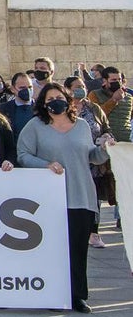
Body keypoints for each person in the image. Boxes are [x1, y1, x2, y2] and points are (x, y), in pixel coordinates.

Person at [18, 82, 114, 314]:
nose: (54, 102)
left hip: (81, 195)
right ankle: (53, 293)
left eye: (58, 97)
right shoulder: (35, 126)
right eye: (49, 99)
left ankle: (77, 296)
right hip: (50, 198)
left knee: (78, 249)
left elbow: (91, 156)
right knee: (54, 249)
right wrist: (46, 164)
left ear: (68, 99)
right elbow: (23, 155)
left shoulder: (81, 126)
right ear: (43, 104)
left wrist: (105, 148)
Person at [66, 75, 114, 248]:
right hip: (70, 162)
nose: (82, 88)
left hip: (93, 161)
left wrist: (106, 138)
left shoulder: (94, 108)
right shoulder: (63, 109)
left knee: (93, 198)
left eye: (83, 86)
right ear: (68, 89)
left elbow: (106, 127)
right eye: (77, 86)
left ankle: (94, 232)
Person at [91, 66, 132, 141]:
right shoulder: (95, 95)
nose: (117, 82)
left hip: (126, 140)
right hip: (106, 140)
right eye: (113, 80)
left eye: (119, 80)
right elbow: (95, 117)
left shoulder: (129, 97)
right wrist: (114, 100)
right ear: (105, 81)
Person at [0, 72, 36, 142]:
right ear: (12, 89)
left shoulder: (41, 108)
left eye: (30, 87)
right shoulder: (2, 109)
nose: (27, 90)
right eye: (22, 88)